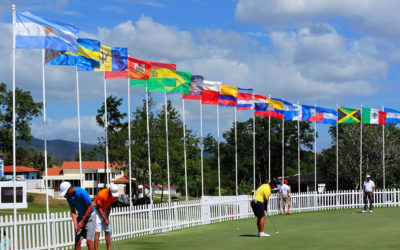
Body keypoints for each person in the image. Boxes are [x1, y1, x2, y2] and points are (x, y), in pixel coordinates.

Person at [60, 181, 96, 250]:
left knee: (89, 241)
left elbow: (90, 207)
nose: (66, 194)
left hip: (90, 216)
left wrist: (82, 221)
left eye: (66, 192)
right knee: (77, 240)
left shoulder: (82, 192)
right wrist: (75, 224)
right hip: (81, 216)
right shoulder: (68, 196)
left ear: (70, 188)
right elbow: (73, 210)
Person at [94, 184, 119, 250]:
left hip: (105, 210)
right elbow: (99, 208)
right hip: (97, 211)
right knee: (97, 231)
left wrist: (107, 217)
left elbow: (110, 206)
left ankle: (109, 248)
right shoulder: (101, 194)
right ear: (109, 191)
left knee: (107, 230)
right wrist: (104, 218)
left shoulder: (114, 196)